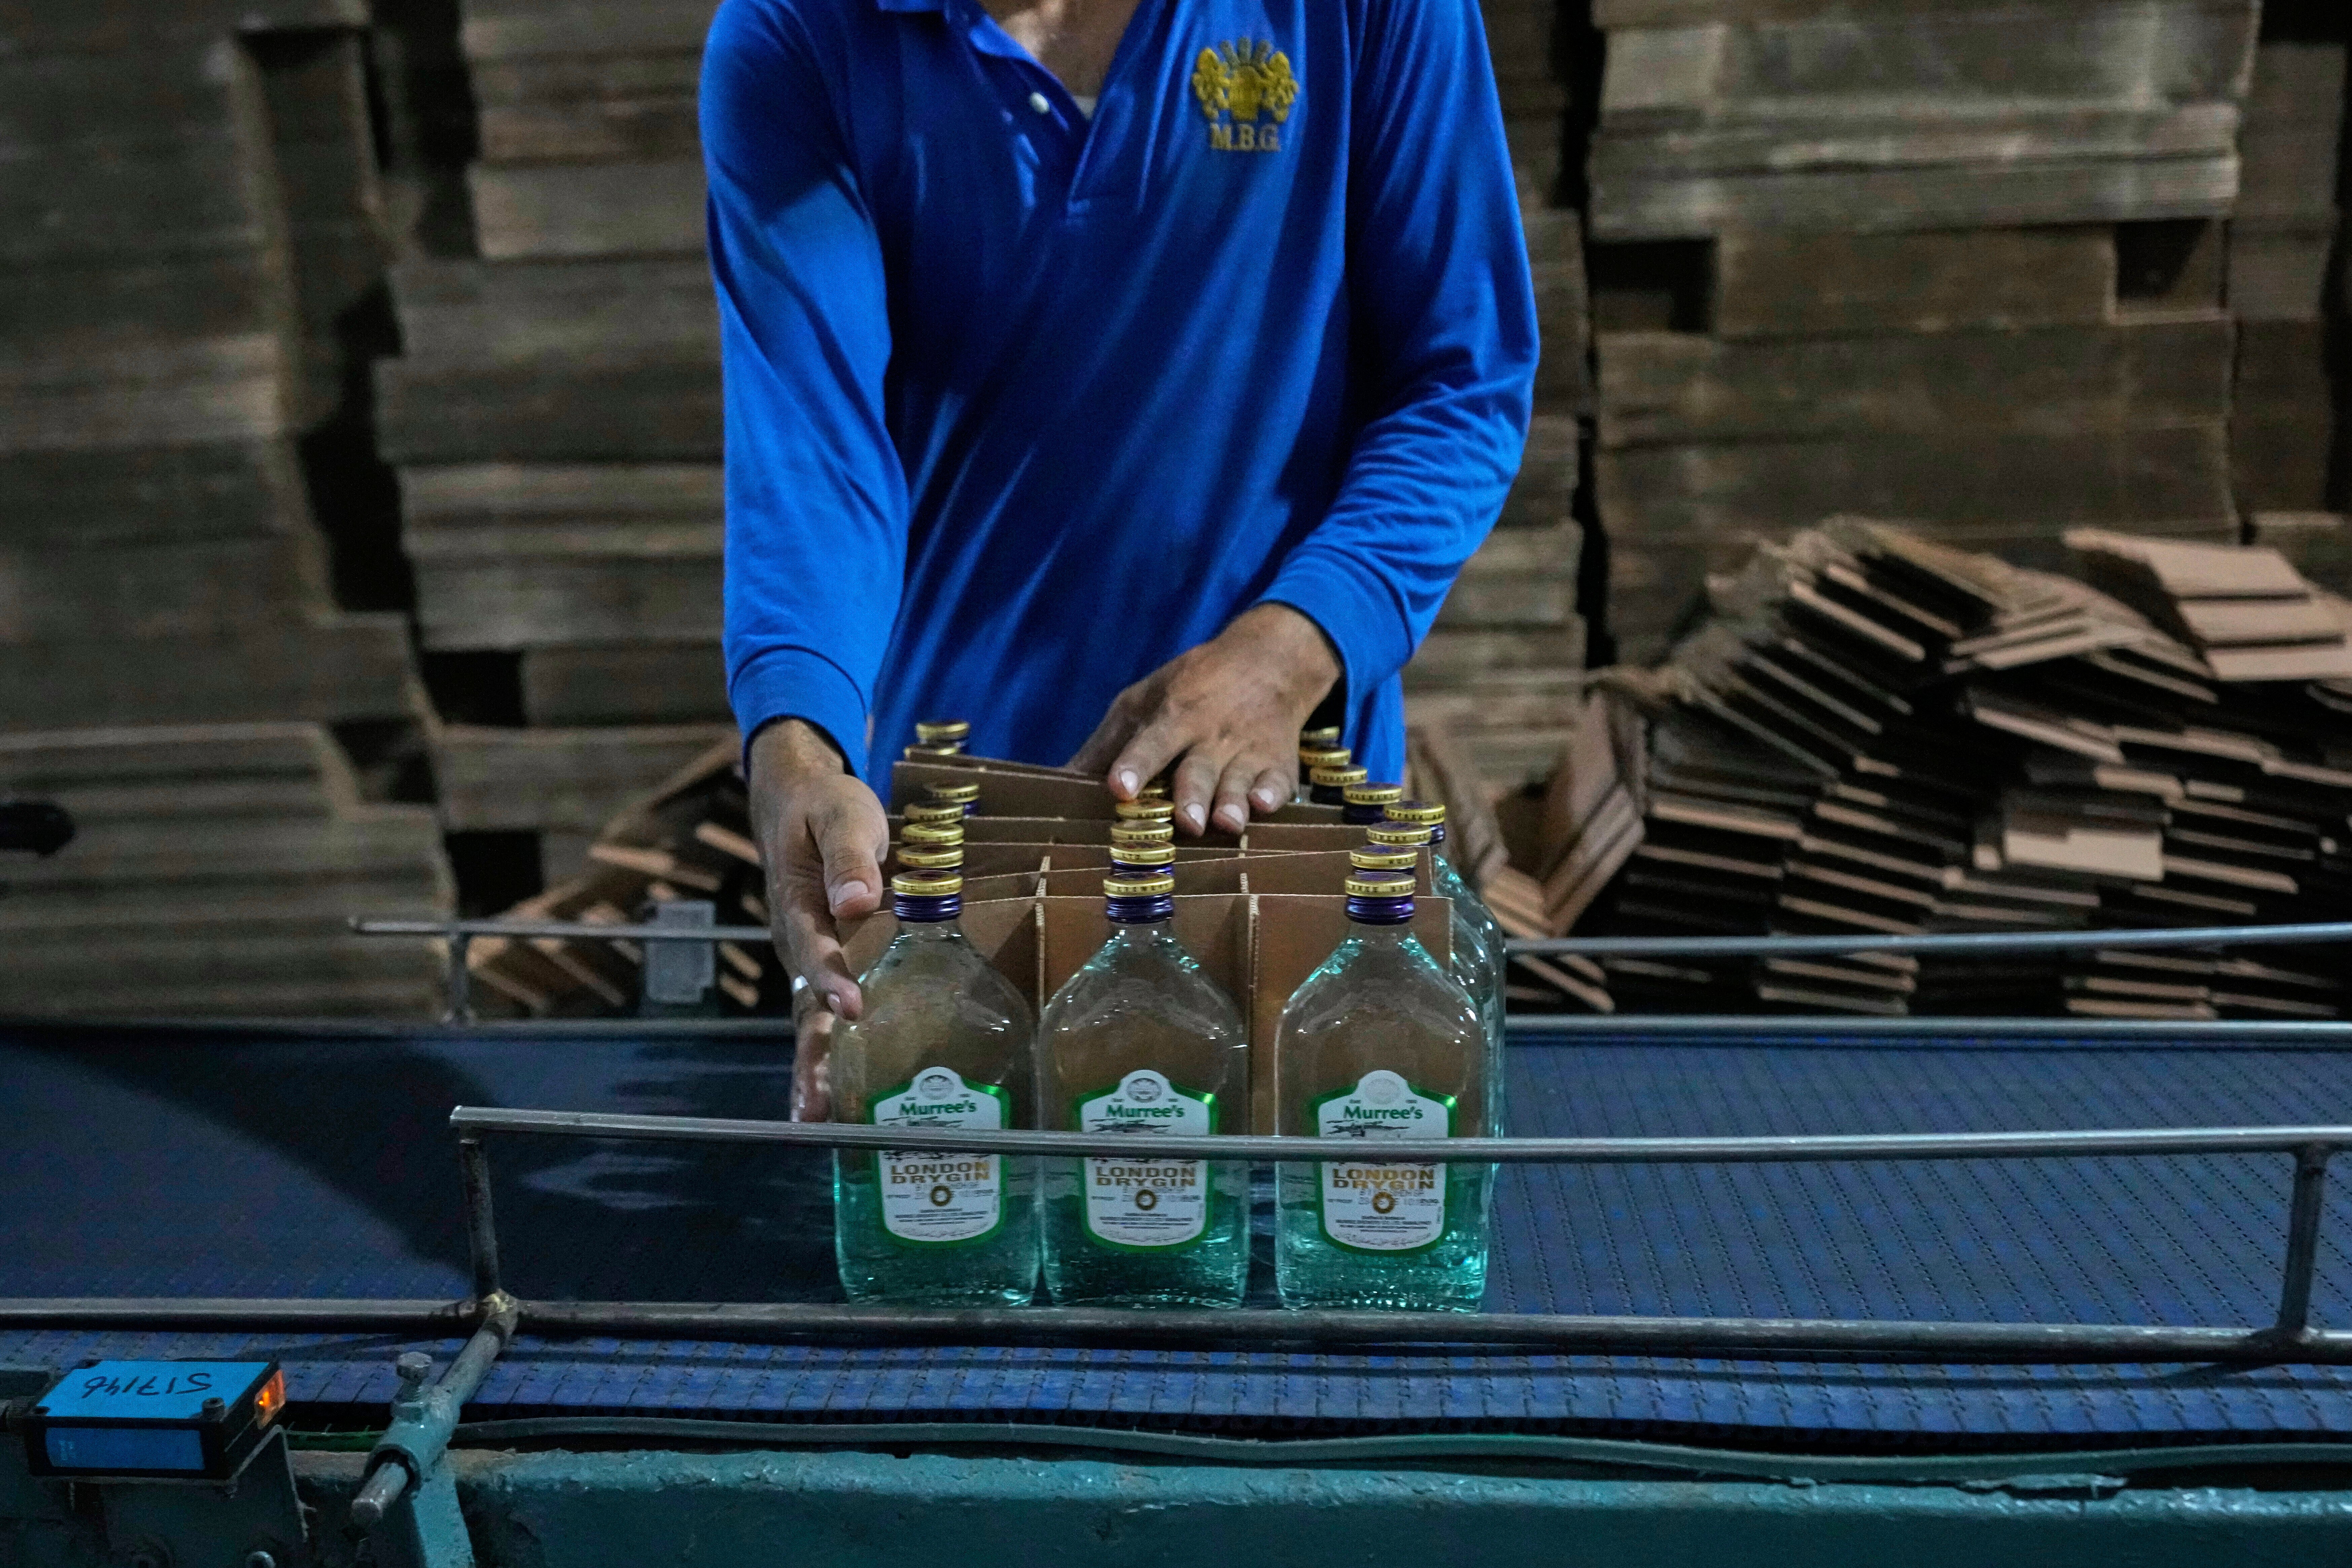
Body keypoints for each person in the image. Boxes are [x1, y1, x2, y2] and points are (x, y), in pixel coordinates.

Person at [702, 0, 1537, 1113]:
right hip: (966, 871)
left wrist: (1289, 653)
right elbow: (815, 453)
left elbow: (1462, 383)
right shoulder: (801, 32)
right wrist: (797, 756)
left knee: (1318, 1253)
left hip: (1284, 850)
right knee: (966, 1270)